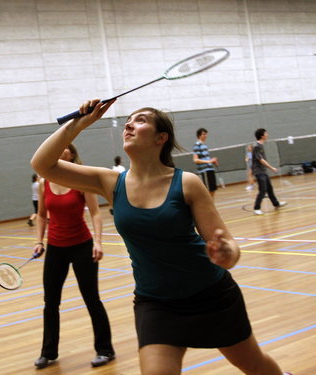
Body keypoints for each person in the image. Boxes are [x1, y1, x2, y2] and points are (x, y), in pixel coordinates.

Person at [31, 99, 291, 375]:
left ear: (161, 138)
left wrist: (226, 253)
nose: (130, 124)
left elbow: (230, 248)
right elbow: (42, 165)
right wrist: (80, 124)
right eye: (129, 120)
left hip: (210, 295)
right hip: (156, 303)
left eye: (141, 120)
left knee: (255, 366)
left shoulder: (186, 182)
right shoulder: (109, 182)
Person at [32, 143, 115, 369]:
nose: (60, 150)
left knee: (91, 299)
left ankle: (105, 350)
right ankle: (48, 352)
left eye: (65, 147)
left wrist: (98, 242)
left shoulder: (81, 180)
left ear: (72, 153)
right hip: (56, 248)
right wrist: (39, 241)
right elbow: (41, 215)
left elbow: (96, 213)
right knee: (50, 302)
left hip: (82, 246)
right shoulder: (43, 183)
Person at [252, 129, 287, 215]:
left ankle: (276, 204)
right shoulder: (257, 146)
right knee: (262, 190)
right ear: (262, 135)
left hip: (263, 171)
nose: (267, 134)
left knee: (269, 189)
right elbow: (260, 159)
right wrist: (271, 168)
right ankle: (256, 208)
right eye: (266, 133)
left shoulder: (260, 145)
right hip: (259, 172)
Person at [193, 128, 218, 199]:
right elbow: (195, 160)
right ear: (199, 135)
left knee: (213, 190)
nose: (205, 136)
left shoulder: (205, 146)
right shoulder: (197, 145)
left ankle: (211, 206)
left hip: (210, 169)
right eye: (203, 134)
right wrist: (209, 161)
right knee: (208, 190)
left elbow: (205, 158)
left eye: (206, 134)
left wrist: (212, 161)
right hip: (205, 170)